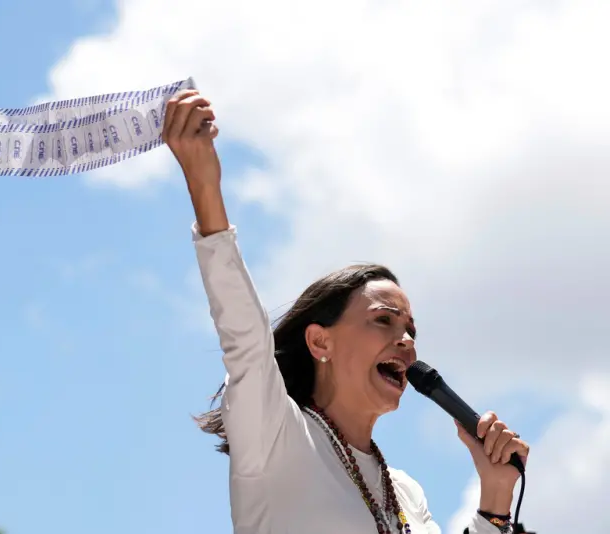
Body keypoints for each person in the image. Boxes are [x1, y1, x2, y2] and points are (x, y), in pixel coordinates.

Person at [162, 89, 530, 534]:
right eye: (383, 320)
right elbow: (245, 337)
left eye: (411, 330)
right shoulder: (275, 434)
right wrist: (203, 183)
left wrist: (495, 497)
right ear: (320, 341)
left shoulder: (405, 493)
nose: (407, 342)